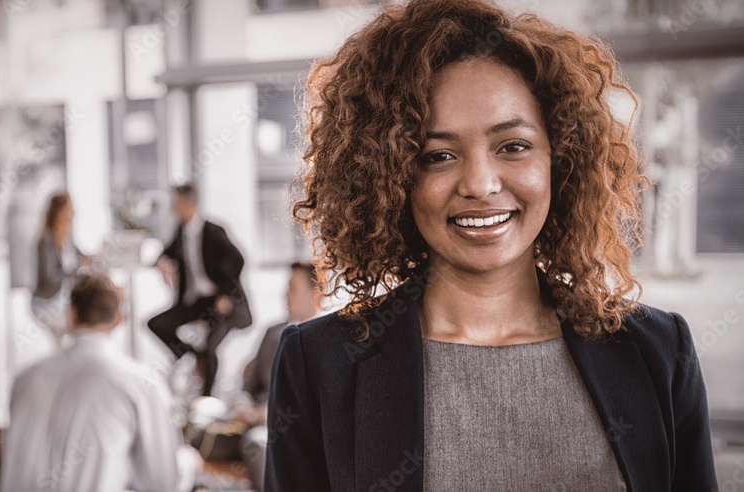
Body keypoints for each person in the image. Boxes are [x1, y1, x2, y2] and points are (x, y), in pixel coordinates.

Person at [266, 1, 717, 490]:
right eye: (438, 155)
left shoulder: (657, 351)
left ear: (559, 159)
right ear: (393, 178)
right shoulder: (319, 364)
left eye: (513, 146)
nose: (480, 184)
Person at [0, 274, 199, 492]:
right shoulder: (141, 383)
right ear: (119, 319)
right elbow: (161, 483)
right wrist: (187, 465)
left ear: (71, 314)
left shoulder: (24, 378)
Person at [148, 184, 253, 397]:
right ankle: (192, 355)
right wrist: (161, 263)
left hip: (221, 302)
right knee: (156, 324)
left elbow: (238, 260)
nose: (173, 209)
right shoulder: (180, 233)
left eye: (176, 205)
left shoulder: (214, 232)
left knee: (210, 346)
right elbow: (163, 253)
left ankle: (206, 399)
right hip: (196, 302)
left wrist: (225, 294)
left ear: (189, 205)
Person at [237, 261, 320, 490]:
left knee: (259, 444)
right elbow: (247, 386)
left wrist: (274, 412)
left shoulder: (329, 342)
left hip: (299, 430)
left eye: (292, 288)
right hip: (257, 426)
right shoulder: (273, 332)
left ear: (315, 293)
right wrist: (243, 406)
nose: (285, 295)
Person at [32, 192, 89, 344]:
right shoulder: (46, 242)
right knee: (81, 327)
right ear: (59, 212)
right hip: (48, 302)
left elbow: (82, 259)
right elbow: (49, 277)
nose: (74, 214)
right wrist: (76, 269)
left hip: (63, 300)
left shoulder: (68, 239)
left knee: (64, 342)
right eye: (70, 209)